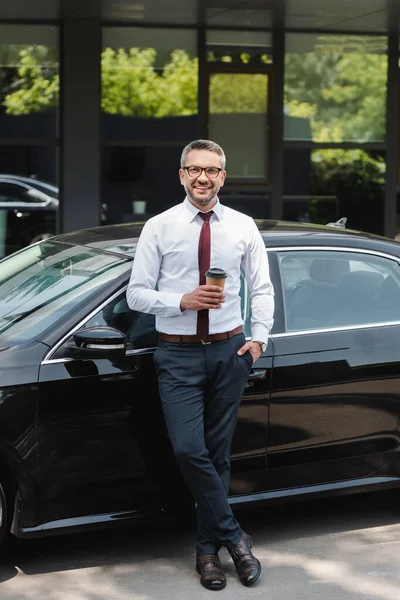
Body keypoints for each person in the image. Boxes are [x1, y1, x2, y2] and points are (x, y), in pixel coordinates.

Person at [126, 139, 274, 591]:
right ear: (182, 176)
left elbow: (262, 288)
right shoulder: (160, 227)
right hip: (178, 353)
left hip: (230, 352)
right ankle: (236, 538)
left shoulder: (243, 227)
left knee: (218, 456)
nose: (203, 178)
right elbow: (136, 293)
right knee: (189, 450)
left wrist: (258, 340)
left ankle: (207, 554)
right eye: (194, 170)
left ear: (222, 177)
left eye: (211, 171)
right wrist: (182, 300)